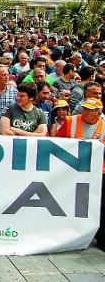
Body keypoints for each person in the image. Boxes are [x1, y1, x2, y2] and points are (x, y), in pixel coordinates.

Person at [56, 98, 105, 251]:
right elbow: (56, 142)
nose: (85, 112)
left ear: (99, 113)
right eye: (85, 108)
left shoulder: (104, 126)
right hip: (71, 170)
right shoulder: (70, 121)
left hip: (97, 171)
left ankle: (99, 236)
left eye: (90, 110)